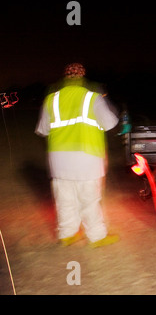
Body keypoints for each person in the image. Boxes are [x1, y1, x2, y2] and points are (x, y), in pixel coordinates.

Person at [35, 63, 120, 248]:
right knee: (89, 200)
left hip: (59, 159)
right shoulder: (92, 98)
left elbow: (42, 129)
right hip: (86, 157)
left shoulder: (51, 100)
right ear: (82, 77)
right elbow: (110, 123)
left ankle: (67, 234)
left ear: (65, 78)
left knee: (64, 199)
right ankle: (97, 237)